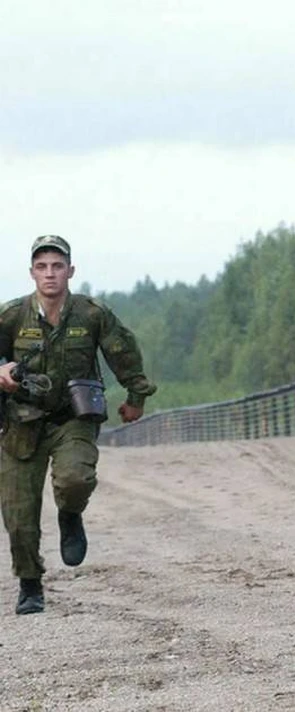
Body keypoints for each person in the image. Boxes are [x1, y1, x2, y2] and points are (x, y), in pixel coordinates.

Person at [0, 235, 156, 615]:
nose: (50, 274)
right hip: (21, 422)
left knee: (75, 479)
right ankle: (31, 585)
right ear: (32, 273)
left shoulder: (91, 314)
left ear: (70, 271)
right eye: (42, 267)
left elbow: (123, 352)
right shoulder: (11, 315)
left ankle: (70, 514)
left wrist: (135, 398)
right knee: (19, 516)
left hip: (74, 418)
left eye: (57, 266)